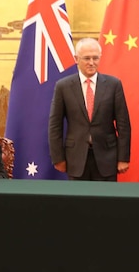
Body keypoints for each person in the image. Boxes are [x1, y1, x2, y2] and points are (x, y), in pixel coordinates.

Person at [48, 37, 131, 181]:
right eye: (86, 58)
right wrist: (58, 158)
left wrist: (123, 158)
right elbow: (55, 125)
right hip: (75, 158)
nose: (91, 63)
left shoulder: (113, 84)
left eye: (95, 58)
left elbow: (123, 124)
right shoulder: (63, 86)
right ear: (76, 59)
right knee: (77, 202)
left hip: (107, 158)